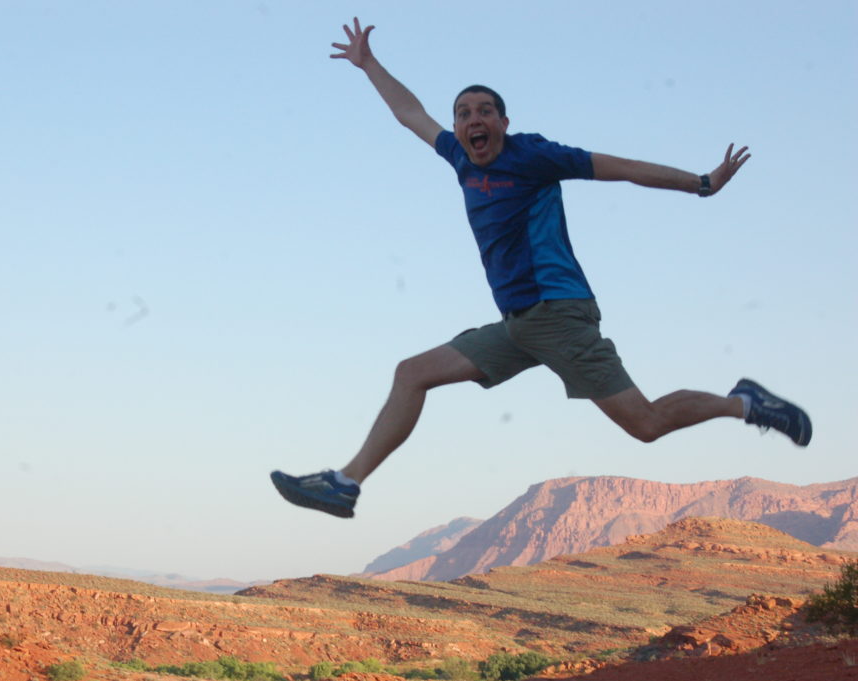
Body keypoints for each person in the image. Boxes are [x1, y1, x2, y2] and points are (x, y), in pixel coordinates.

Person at [271, 18, 812, 519]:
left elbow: (621, 169)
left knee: (645, 425)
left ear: (504, 122)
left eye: (484, 111)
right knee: (412, 373)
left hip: (559, 314)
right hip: (518, 326)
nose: (472, 120)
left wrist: (701, 182)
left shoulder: (534, 156)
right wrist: (369, 66)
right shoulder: (460, 158)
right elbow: (411, 113)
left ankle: (745, 403)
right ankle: (345, 484)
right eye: (463, 113)